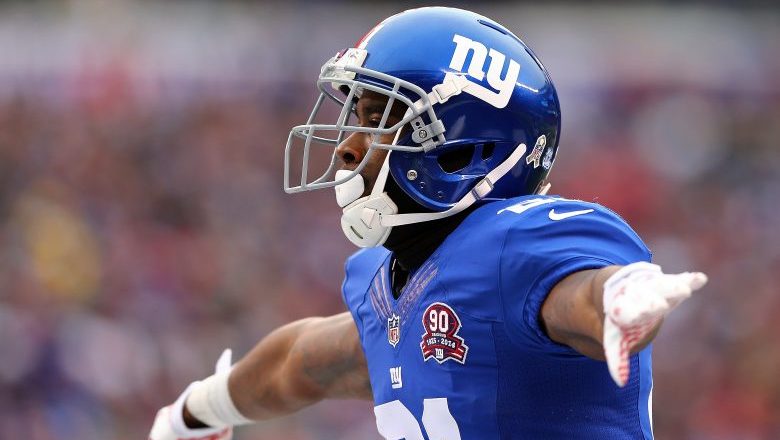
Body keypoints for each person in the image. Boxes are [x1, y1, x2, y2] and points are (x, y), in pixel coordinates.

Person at [149, 7, 707, 440]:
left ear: (467, 149)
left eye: (379, 119)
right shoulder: (386, 279)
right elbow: (304, 364)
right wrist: (197, 411)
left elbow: (579, 296)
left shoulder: (513, 243)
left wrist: (619, 298)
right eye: (356, 117)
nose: (347, 146)